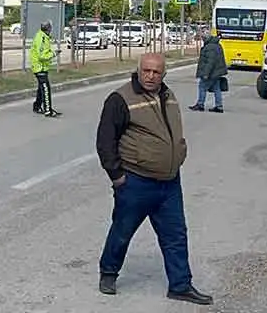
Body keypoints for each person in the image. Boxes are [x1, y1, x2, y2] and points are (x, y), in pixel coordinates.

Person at [96, 52, 213, 306]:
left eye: (156, 72)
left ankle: (180, 285)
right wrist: (117, 177)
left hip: (169, 182)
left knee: (176, 235)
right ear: (139, 70)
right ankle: (108, 273)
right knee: (122, 231)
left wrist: (179, 152)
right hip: (136, 181)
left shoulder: (168, 95)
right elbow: (105, 142)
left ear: (163, 74)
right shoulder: (120, 99)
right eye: (146, 71)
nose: (150, 76)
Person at [189, 33, 227, 112]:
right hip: (217, 72)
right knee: (217, 88)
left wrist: (206, 74)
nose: (202, 41)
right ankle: (219, 106)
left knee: (202, 87)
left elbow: (210, 62)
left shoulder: (210, 47)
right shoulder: (217, 45)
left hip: (211, 73)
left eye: (203, 39)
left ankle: (200, 104)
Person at [30, 21, 60, 117]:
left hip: (41, 67)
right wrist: (54, 54)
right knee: (46, 88)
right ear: (48, 29)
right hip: (39, 67)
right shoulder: (41, 38)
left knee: (41, 88)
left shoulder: (44, 37)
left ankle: (37, 106)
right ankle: (48, 110)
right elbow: (42, 56)